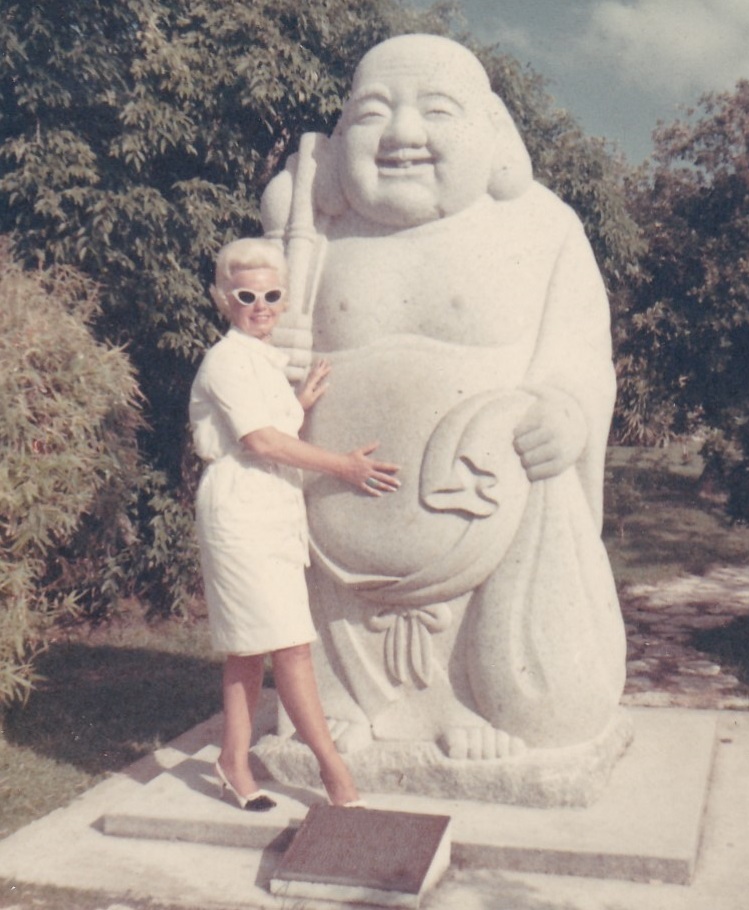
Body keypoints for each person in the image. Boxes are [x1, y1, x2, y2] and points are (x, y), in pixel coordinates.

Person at [260, 34, 627, 760]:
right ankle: (341, 699)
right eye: (372, 113)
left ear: (493, 133)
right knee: (320, 597)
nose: (402, 134)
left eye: (436, 110)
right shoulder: (314, 235)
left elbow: (582, 352)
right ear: (337, 142)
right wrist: (276, 364)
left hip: (494, 515)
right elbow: (250, 364)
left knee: (544, 693)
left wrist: (569, 411)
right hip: (333, 522)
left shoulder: (541, 227)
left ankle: (471, 698)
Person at [189, 237, 400, 810]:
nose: (260, 305)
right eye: (246, 295)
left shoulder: (260, 360)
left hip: (270, 510)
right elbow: (258, 440)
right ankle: (336, 776)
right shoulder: (226, 360)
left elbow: (269, 422)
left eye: (272, 295)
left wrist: (299, 402)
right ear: (223, 299)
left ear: (283, 302)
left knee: (247, 646)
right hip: (240, 513)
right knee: (290, 647)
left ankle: (233, 762)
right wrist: (345, 467)